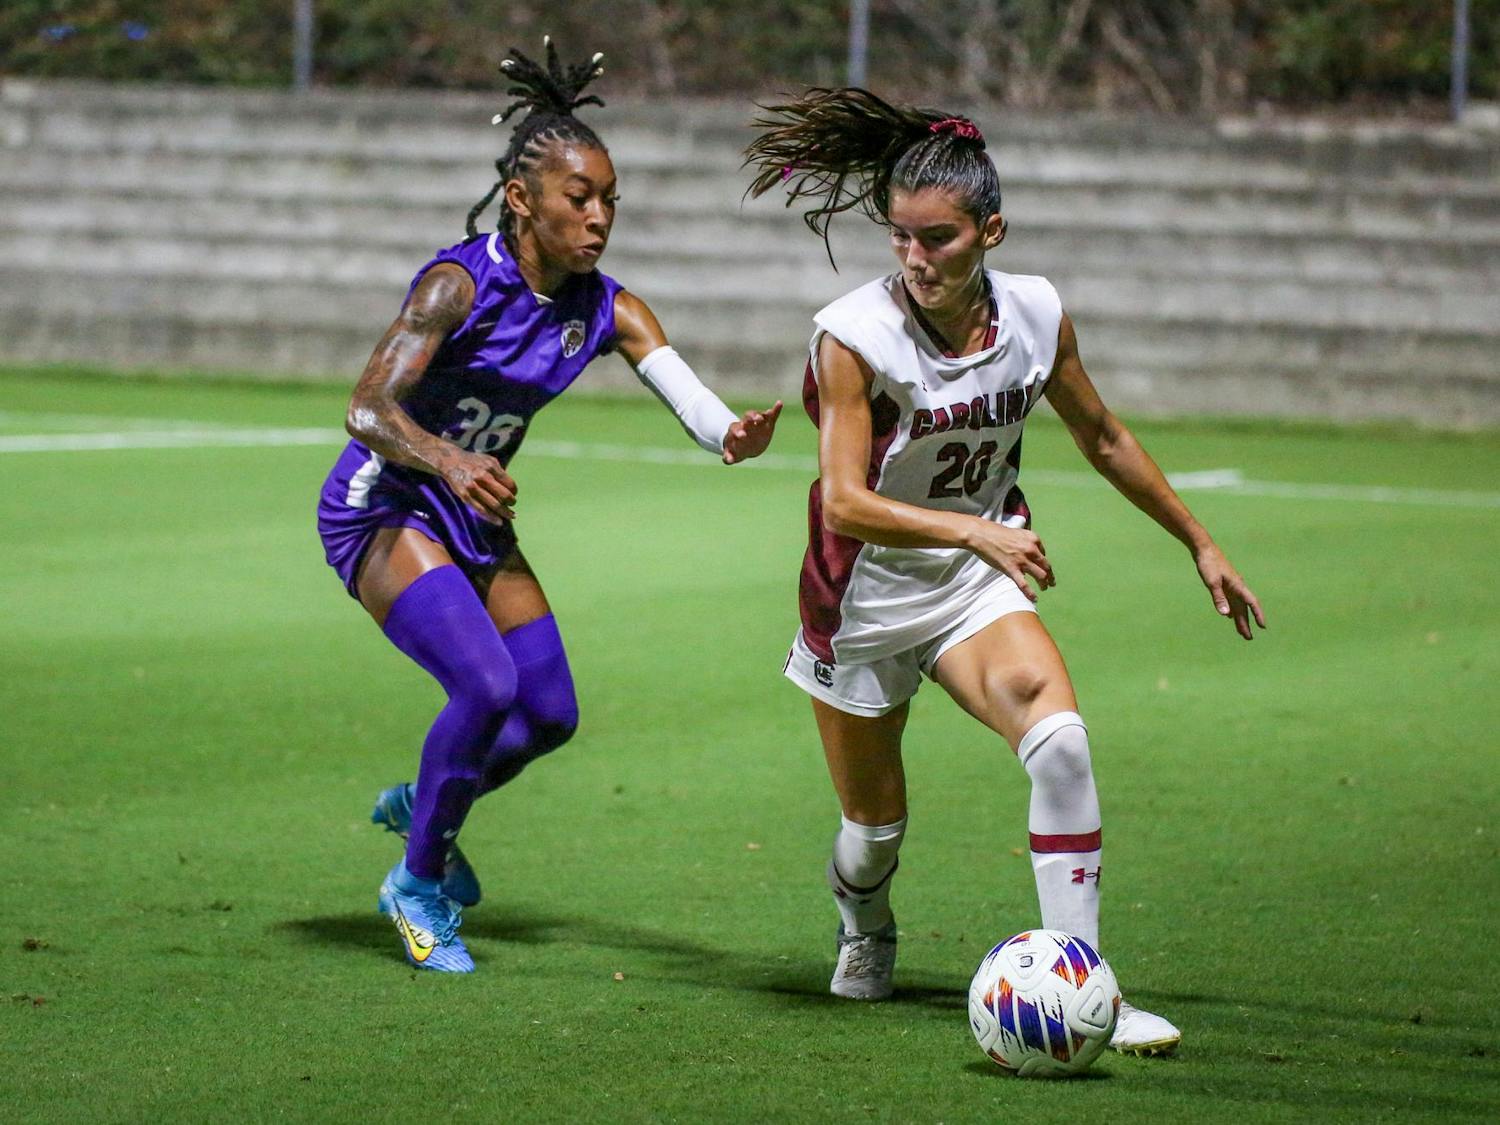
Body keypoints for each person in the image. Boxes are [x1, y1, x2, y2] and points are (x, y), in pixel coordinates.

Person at [744, 88, 1264, 1055]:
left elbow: (1102, 435)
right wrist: (975, 533)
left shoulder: (1035, 312)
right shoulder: (854, 336)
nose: (914, 258)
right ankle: (864, 927)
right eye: (899, 237)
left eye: (937, 238)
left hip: (971, 588)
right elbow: (844, 500)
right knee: (874, 830)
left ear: (991, 229)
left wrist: (1197, 538)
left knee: (1060, 744)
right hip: (863, 598)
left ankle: (1084, 991)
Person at [316, 39, 781, 973]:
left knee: (550, 713)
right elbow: (368, 407)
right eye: (582, 198)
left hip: (473, 515)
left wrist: (729, 432)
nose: (600, 218)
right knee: (485, 686)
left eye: (610, 201)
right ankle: (416, 883)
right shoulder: (458, 284)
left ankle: (425, 801)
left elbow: (680, 386)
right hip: (388, 506)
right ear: (523, 199)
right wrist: (447, 458)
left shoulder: (606, 306)